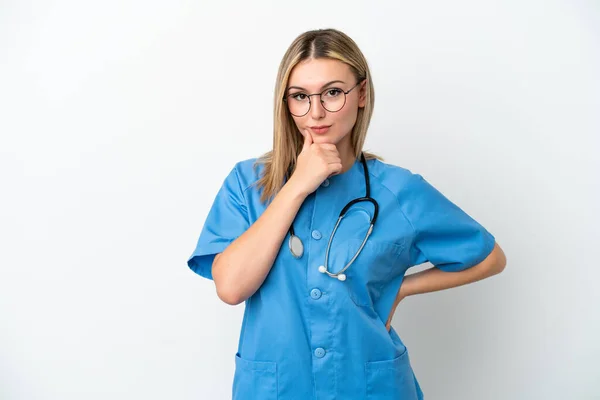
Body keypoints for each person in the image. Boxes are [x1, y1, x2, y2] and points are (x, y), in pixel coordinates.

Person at [187, 28, 507, 400]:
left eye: (333, 93)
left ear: (361, 95)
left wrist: (401, 289)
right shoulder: (247, 184)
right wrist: (295, 186)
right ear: (285, 103)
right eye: (300, 97)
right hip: (276, 389)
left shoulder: (398, 191)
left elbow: (489, 257)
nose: (316, 112)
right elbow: (230, 287)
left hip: (371, 386)